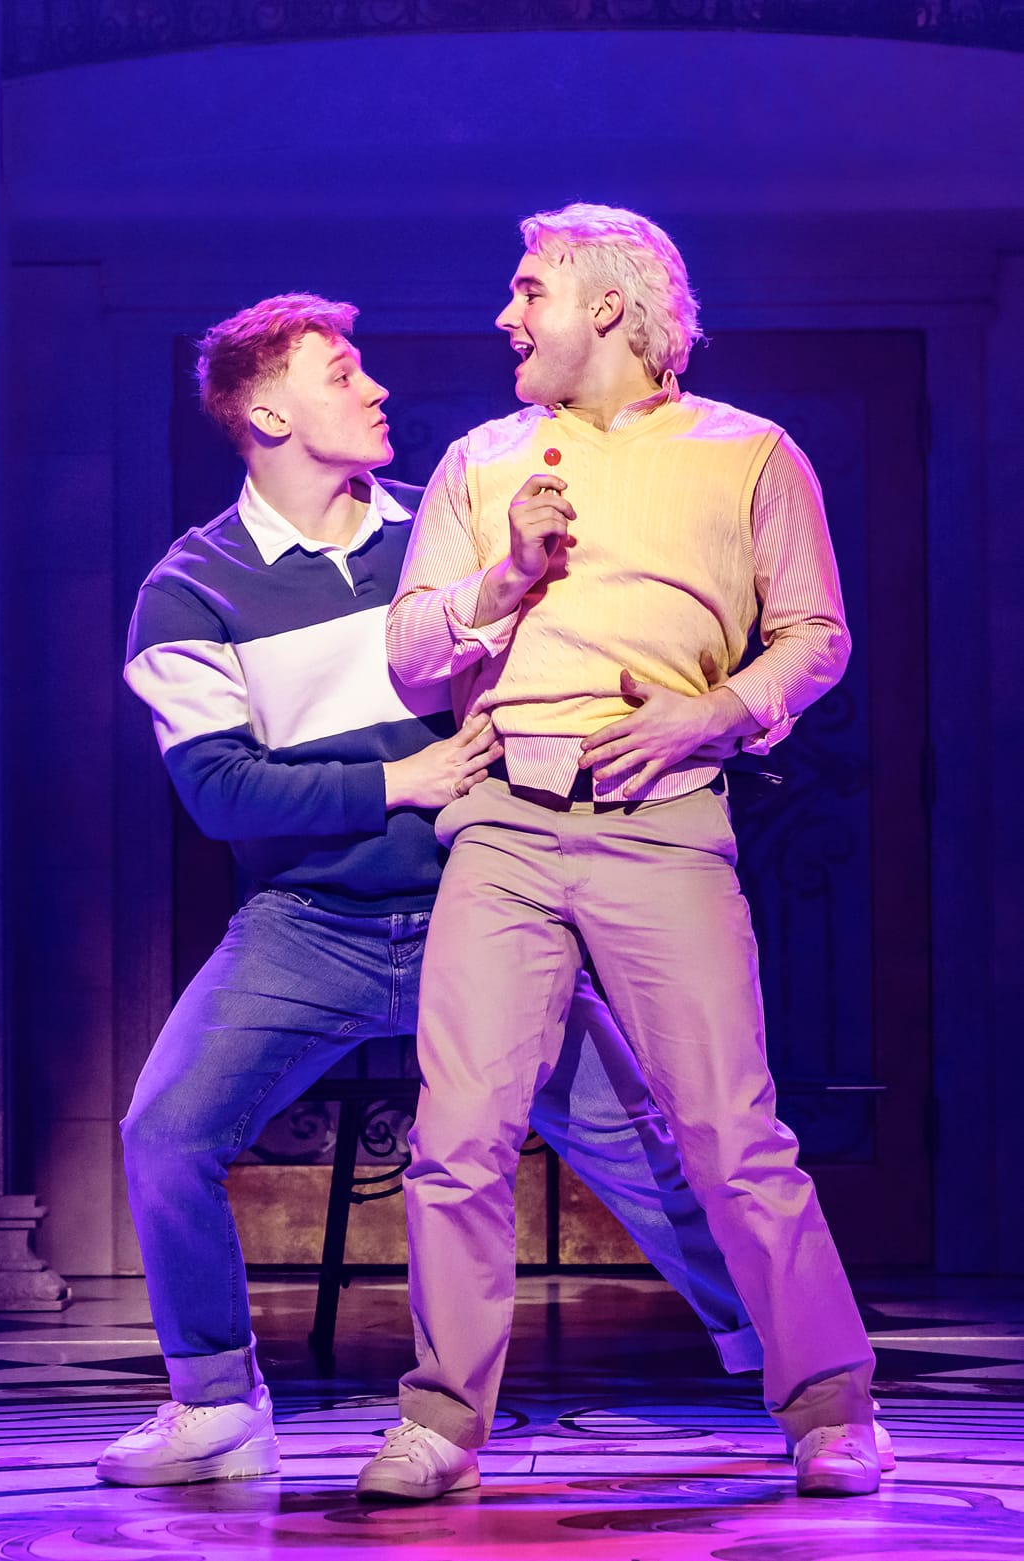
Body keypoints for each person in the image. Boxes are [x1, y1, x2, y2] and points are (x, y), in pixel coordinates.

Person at [95, 290, 770, 1488]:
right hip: (309, 926)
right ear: (267, 413)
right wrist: (396, 780)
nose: (376, 388)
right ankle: (214, 1402)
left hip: (482, 903)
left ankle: (792, 1367)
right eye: (340, 372)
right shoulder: (190, 588)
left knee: (650, 1150)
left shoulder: (446, 524)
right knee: (164, 1128)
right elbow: (219, 792)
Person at [361, 204, 882, 1503]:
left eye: (527, 288)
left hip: (665, 817)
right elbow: (410, 659)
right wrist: (503, 579)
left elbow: (814, 634)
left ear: (605, 303)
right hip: (504, 819)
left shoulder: (749, 453)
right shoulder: (481, 461)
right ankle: (442, 1422)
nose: (506, 314)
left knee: (730, 1132)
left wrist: (715, 710)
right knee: (457, 1133)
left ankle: (829, 1404)